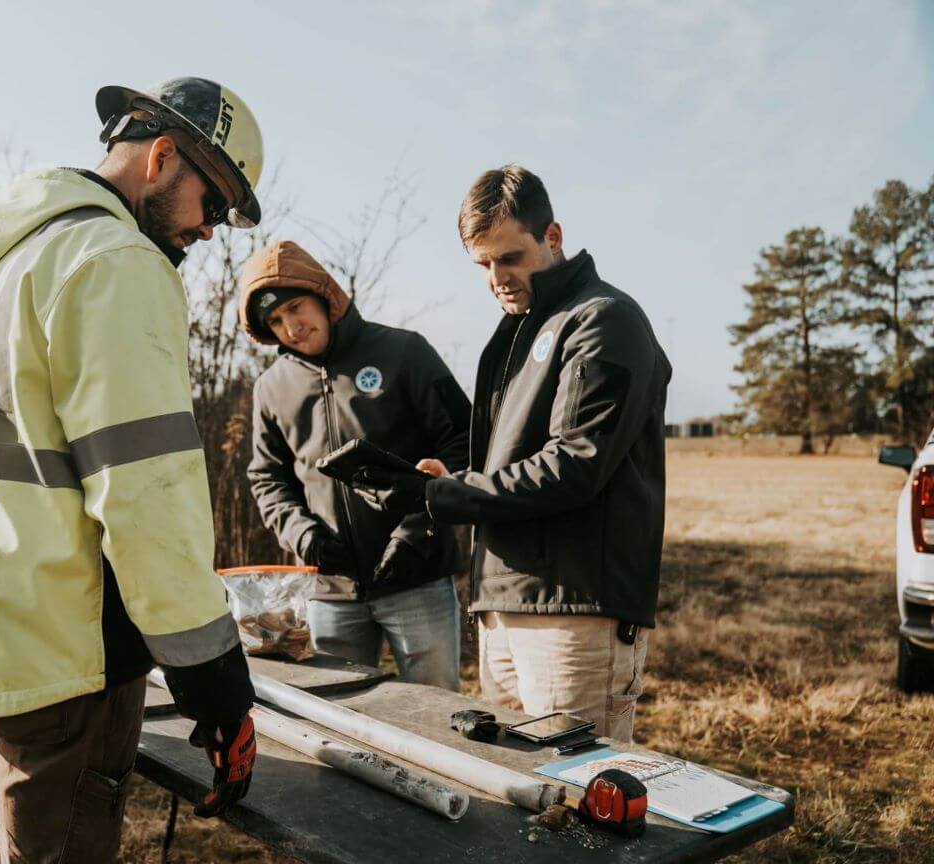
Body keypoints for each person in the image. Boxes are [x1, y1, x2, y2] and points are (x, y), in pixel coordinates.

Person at [0, 78, 264, 862]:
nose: (212, 230)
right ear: (162, 157)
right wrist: (215, 682)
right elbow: (147, 492)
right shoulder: (115, 259)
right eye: (214, 204)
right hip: (58, 650)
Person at [346, 166, 671, 742]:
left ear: (553, 236)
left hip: (574, 610)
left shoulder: (603, 319)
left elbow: (575, 464)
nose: (497, 277)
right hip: (502, 603)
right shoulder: (517, 331)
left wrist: (445, 495)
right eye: (483, 265)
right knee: (518, 789)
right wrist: (459, 478)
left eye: (510, 258)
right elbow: (520, 465)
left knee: (577, 792)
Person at [240, 240, 471, 691]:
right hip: (331, 593)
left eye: (296, 306)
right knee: (341, 716)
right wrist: (304, 537)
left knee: (438, 714)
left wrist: (420, 526)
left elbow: (464, 441)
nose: (292, 326)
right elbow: (266, 478)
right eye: (276, 320)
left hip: (418, 579)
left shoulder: (404, 352)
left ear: (325, 296)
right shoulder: (271, 388)